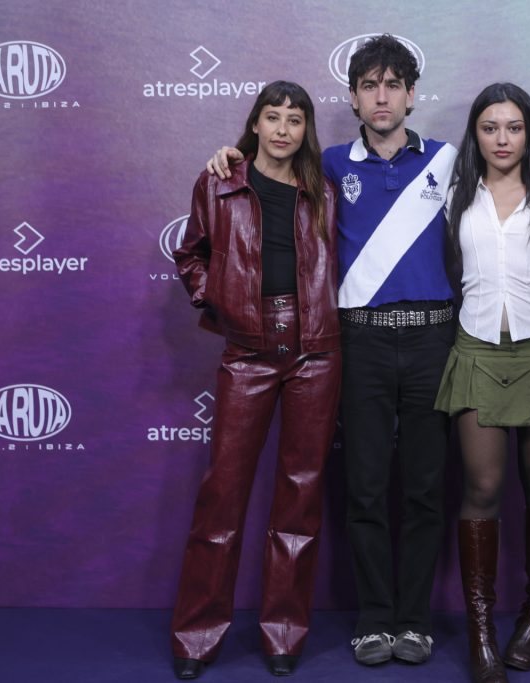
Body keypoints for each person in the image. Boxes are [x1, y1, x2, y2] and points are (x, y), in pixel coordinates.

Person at [206, 34, 530, 668]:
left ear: (411, 95)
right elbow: (270, 173)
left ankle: (414, 620)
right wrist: (229, 156)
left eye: (392, 84)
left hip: (435, 336)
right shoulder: (330, 165)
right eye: (369, 85)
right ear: (352, 97)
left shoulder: (453, 162)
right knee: (366, 485)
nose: (381, 96)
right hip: (359, 337)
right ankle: (374, 620)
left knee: (426, 487)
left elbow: (512, 171)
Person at [169, 80, 340, 679]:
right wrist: (218, 298)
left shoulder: (326, 188)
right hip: (247, 348)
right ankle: (196, 635)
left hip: (316, 349)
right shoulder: (220, 181)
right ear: (257, 123)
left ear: (305, 129)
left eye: (295, 119)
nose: (283, 129)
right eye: (273, 117)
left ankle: (283, 634)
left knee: (299, 495)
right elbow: (189, 252)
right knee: (223, 495)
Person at [433, 83, 530, 683]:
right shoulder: (453, 195)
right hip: (476, 350)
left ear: (529, 134)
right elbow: (445, 267)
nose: (501, 138)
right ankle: (482, 635)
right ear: (476, 134)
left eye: (513, 127)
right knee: (483, 486)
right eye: (490, 127)